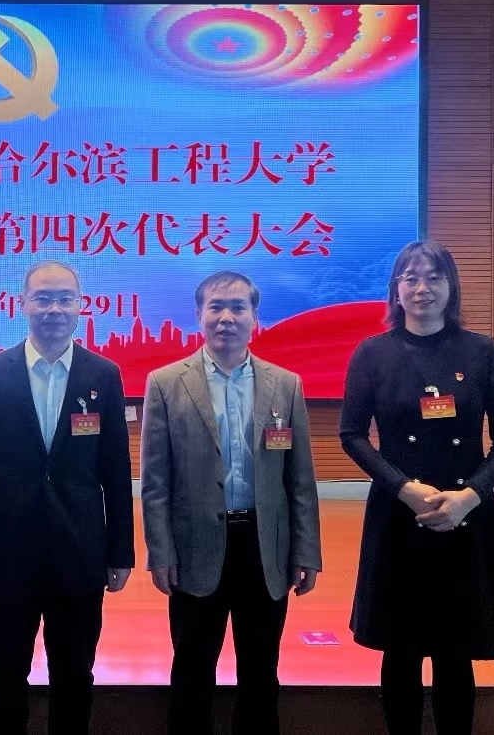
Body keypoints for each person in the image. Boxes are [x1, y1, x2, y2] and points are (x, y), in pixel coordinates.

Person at [339, 240, 494, 734]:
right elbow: (351, 434)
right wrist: (402, 487)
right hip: (398, 513)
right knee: (399, 647)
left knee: (454, 649)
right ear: (396, 289)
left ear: (451, 286)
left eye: (434, 277)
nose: (422, 288)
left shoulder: (482, 352)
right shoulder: (372, 353)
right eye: (411, 278)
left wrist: (473, 494)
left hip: (465, 514)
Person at [0, 260, 135, 734]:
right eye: (43, 298)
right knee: (5, 671)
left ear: (81, 306)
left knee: (74, 674)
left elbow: (116, 471)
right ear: (22, 305)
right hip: (6, 553)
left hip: (80, 551)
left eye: (64, 299)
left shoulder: (104, 375)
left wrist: (121, 552)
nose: (54, 309)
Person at [140, 270, 321, 734]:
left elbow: (300, 480)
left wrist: (306, 551)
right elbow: (155, 482)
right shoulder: (166, 383)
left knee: (260, 673)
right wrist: (160, 552)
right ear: (198, 315)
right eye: (216, 307)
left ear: (254, 317)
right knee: (192, 671)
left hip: (264, 547)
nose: (226, 317)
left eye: (238, 307)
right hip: (195, 546)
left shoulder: (286, 384)